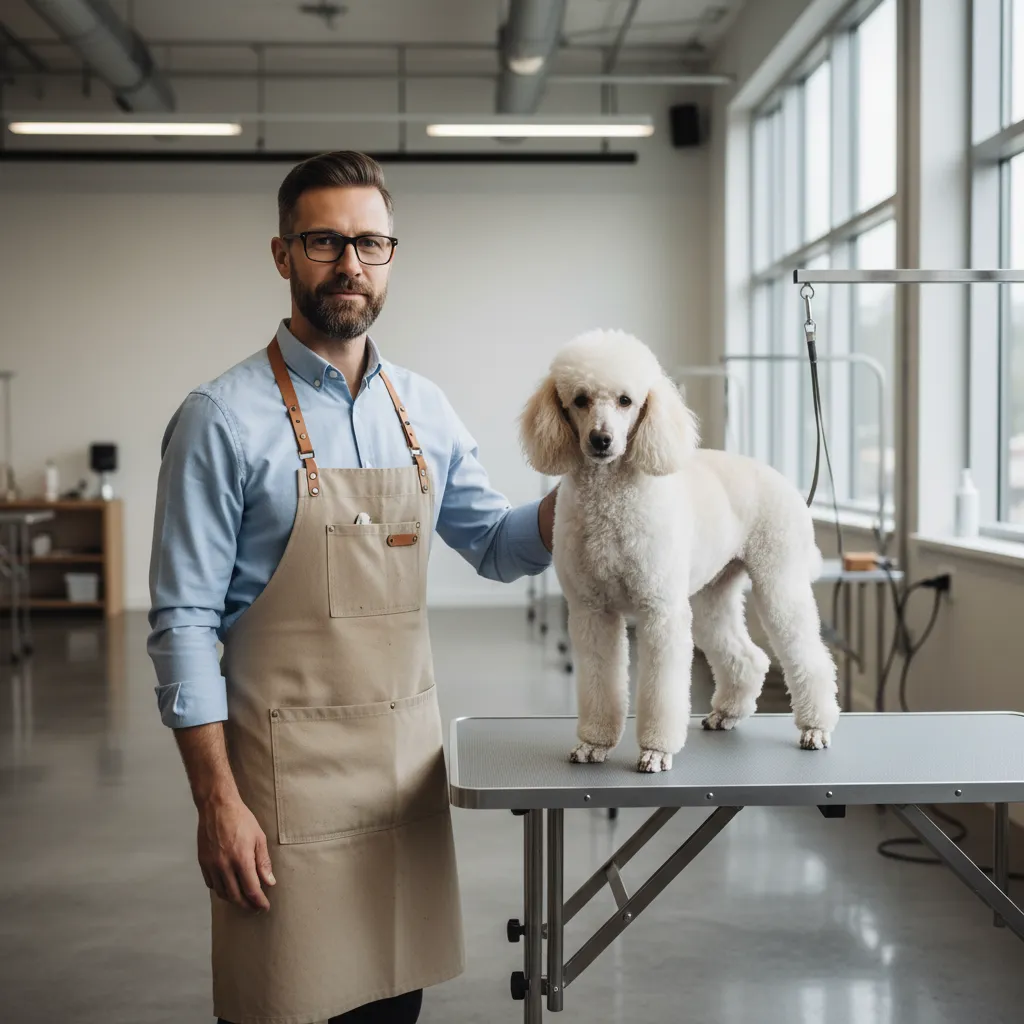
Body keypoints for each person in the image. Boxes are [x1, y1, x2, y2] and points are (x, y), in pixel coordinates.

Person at [147, 150, 557, 1024]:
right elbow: (182, 621)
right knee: (280, 1004)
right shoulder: (218, 419)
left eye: (370, 244)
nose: (349, 266)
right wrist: (216, 802)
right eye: (325, 241)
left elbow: (494, 544)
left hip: (401, 782)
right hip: (279, 793)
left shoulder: (424, 409)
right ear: (282, 253)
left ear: (392, 256)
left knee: (389, 1009)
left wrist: (591, 499)